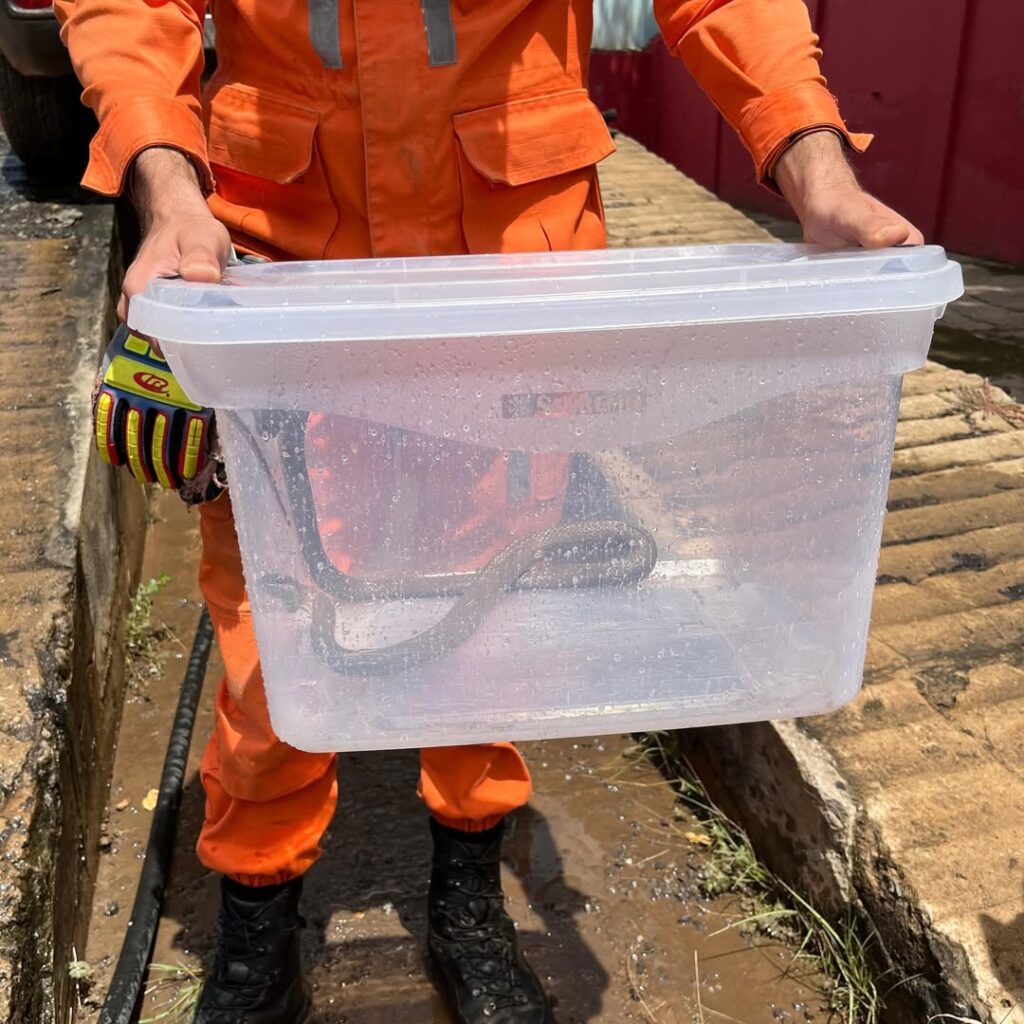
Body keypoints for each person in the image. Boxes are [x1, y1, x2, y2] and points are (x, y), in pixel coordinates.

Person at [55, 1, 923, 1021]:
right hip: (282, 268)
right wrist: (166, 182)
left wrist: (810, 163)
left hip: (505, 269)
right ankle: (256, 918)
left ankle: (467, 903)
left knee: (494, 609)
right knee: (273, 621)